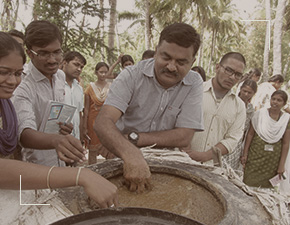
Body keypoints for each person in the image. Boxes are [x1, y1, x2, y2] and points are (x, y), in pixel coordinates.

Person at [0, 31, 118, 208]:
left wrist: (62, 131)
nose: (13, 81)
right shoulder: (24, 88)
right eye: (3, 72)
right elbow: (22, 137)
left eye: (17, 73)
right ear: (31, 53)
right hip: (32, 169)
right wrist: (80, 176)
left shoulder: (6, 103)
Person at [94, 22, 204, 193]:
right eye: (166, 58)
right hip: (122, 156)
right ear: (156, 50)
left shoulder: (195, 82)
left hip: (167, 160)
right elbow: (103, 122)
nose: (171, 67)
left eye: (181, 62)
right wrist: (130, 154)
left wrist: (131, 139)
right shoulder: (130, 75)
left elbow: (184, 136)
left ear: (193, 61)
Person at [12, 20, 86, 167]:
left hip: (62, 163)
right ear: (30, 54)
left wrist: (65, 128)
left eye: (57, 52)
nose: (52, 60)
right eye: (43, 53)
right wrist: (56, 141)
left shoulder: (60, 76)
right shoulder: (22, 86)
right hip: (37, 169)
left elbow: (56, 117)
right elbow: (24, 134)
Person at [183, 52, 247, 165]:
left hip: (211, 168)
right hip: (180, 159)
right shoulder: (193, 91)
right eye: (228, 70)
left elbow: (232, 139)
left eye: (237, 75)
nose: (232, 77)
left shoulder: (239, 106)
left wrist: (205, 156)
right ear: (217, 67)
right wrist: (186, 150)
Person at [242, 90, 290, 188]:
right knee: (248, 185)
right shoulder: (260, 114)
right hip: (255, 157)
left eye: (279, 100)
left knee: (267, 191)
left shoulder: (286, 119)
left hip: (272, 161)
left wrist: (281, 165)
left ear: (284, 104)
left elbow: (285, 143)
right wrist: (245, 154)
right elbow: (250, 134)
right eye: (273, 99)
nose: (275, 102)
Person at [223, 79, 257, 170]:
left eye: (249, 92)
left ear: (254, 93)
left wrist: (244, 152)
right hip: (224, 138)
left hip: (238, 144)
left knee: (231, 171)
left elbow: (248, 131)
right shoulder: (231, 102)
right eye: (244, 91)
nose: (246, 94)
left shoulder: (250, 109)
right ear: (240, 89)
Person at [83, 62, 112, 164]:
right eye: (101, 72)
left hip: (107, 123)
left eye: (105, 72)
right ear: (96, 73)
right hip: (92, 122)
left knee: (109, 149)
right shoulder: (90, 88)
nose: (103, 75)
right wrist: (84, 126)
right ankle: (92, 173)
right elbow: (86, 109)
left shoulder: (111, 87)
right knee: (92, 151)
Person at [61, 51, 86, 141]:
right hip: (58, 140)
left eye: (81, 67)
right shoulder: (55, 84)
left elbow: (79, 113)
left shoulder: (79, 88)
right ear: (64, 63)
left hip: (75, 139)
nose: (79, 69)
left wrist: (81, 139)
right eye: (76, 64)